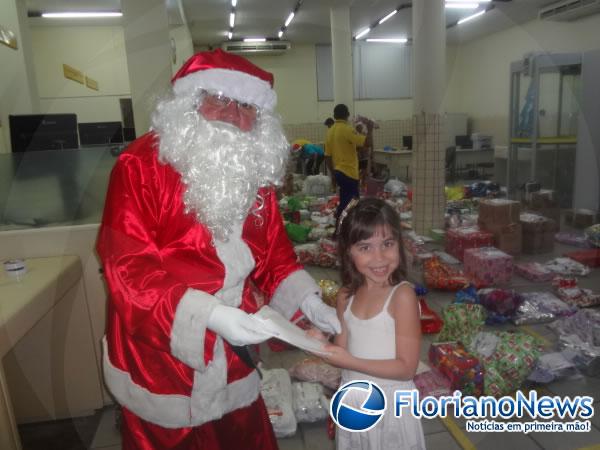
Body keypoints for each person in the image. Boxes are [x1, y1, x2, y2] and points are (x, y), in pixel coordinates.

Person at [96, 49, 340, 450]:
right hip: (162, 354)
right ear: (192, 102)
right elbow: (129, 270)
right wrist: (209, 315)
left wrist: (310, 302)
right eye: (219, 99)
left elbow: (274, 252)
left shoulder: (252, 168)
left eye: (244, 105)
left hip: (233, 349)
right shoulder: (138, 166)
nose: (231, 114)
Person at [317, 197, 426, 450]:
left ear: (399, 244)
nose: (379, 258)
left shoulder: (401, 296)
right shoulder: (346, 296)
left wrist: (348, 361)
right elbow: (341, 351)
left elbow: (406, 368)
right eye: (365, 247)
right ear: (348, 252)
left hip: (389, 406)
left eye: (387, 244)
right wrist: (319, 344)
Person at [324, 104, 368, 224]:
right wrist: (369, 128)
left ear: (334, 115)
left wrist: (333, 174)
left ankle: (341, 224)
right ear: (347, 115)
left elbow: (327, 156)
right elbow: (365, 143)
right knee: (353, 201)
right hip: (349, 172)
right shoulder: (347, 129)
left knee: (345, 199)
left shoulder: (330, 131)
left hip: (338, 171)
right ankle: (342, 224)